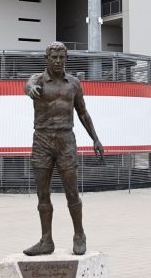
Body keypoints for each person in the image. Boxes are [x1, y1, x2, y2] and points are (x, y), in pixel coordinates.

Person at [22, 42, 104, 256]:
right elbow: (27, 85)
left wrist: (95, 139)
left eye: (62, 57)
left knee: (72, 191)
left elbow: (83, 113)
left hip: (66, 140)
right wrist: (30, 89)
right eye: (54, 57)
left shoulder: (74, 84)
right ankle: (46, 240)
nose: (58, 61)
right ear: (46, 59)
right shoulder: (37, 80)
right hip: (42, 140)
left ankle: (79, 234)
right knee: (42, 194)